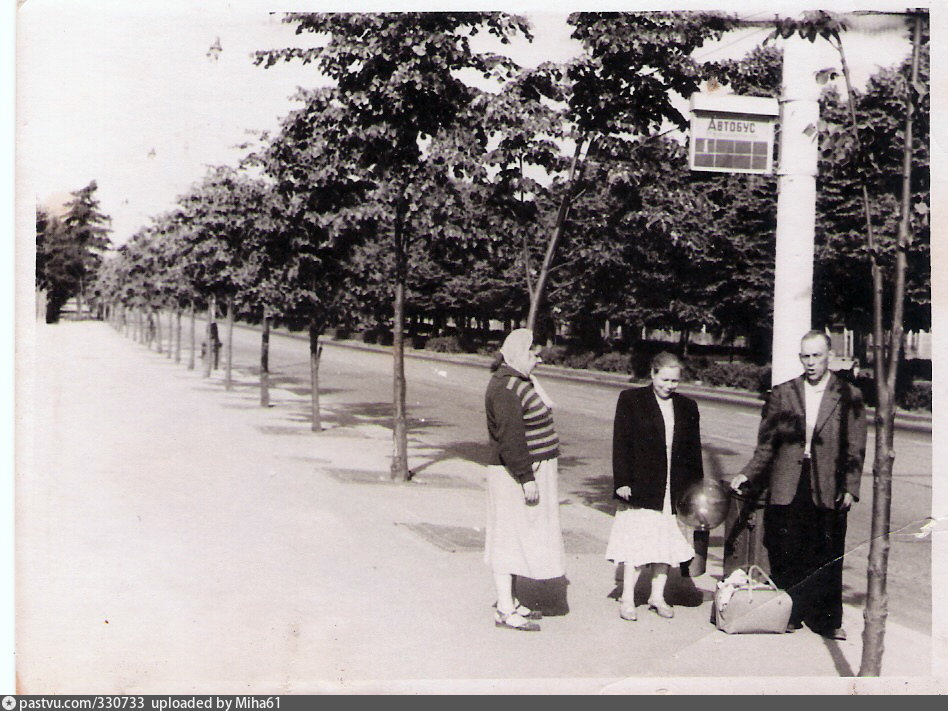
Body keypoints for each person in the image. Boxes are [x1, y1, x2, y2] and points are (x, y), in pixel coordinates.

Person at [729, 330, 867, 640]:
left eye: (817, 356)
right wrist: (747, 473)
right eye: (805, 356)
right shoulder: (783, 393)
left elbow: (855, 447)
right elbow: (766, 444)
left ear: (830, 356)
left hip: (829, 482)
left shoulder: (849, 394)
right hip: (789, 480)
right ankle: (789, 612)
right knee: (787, 549)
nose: (811, 362)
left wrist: (850, 487)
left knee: (828, 550)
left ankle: (827, 620)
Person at [605, 352, 704, 621]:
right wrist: (622, 481)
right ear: (653, 374)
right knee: (638, 543)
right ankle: (627, 598)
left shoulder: (688, 407)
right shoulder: (631, 400)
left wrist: (696, 490)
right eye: (665, 380)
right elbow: (621, 442)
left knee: (665, 544)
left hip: (675, 486)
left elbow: (694, 452)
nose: (669, 386)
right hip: (643, 484)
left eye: (675, 381)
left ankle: (657, 596)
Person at [484, 328, 565, 632]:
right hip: (513, 475)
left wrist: (528, 373)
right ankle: (505, 610)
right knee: (507, 539)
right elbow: (510, 439)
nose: (539, 359)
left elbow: (547, 405)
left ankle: (511, 600)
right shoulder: (506, 388)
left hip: (524, 472)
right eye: (534, 354)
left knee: (518, 537)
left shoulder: (518, 381)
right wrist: (526, 478)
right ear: (518, 354)